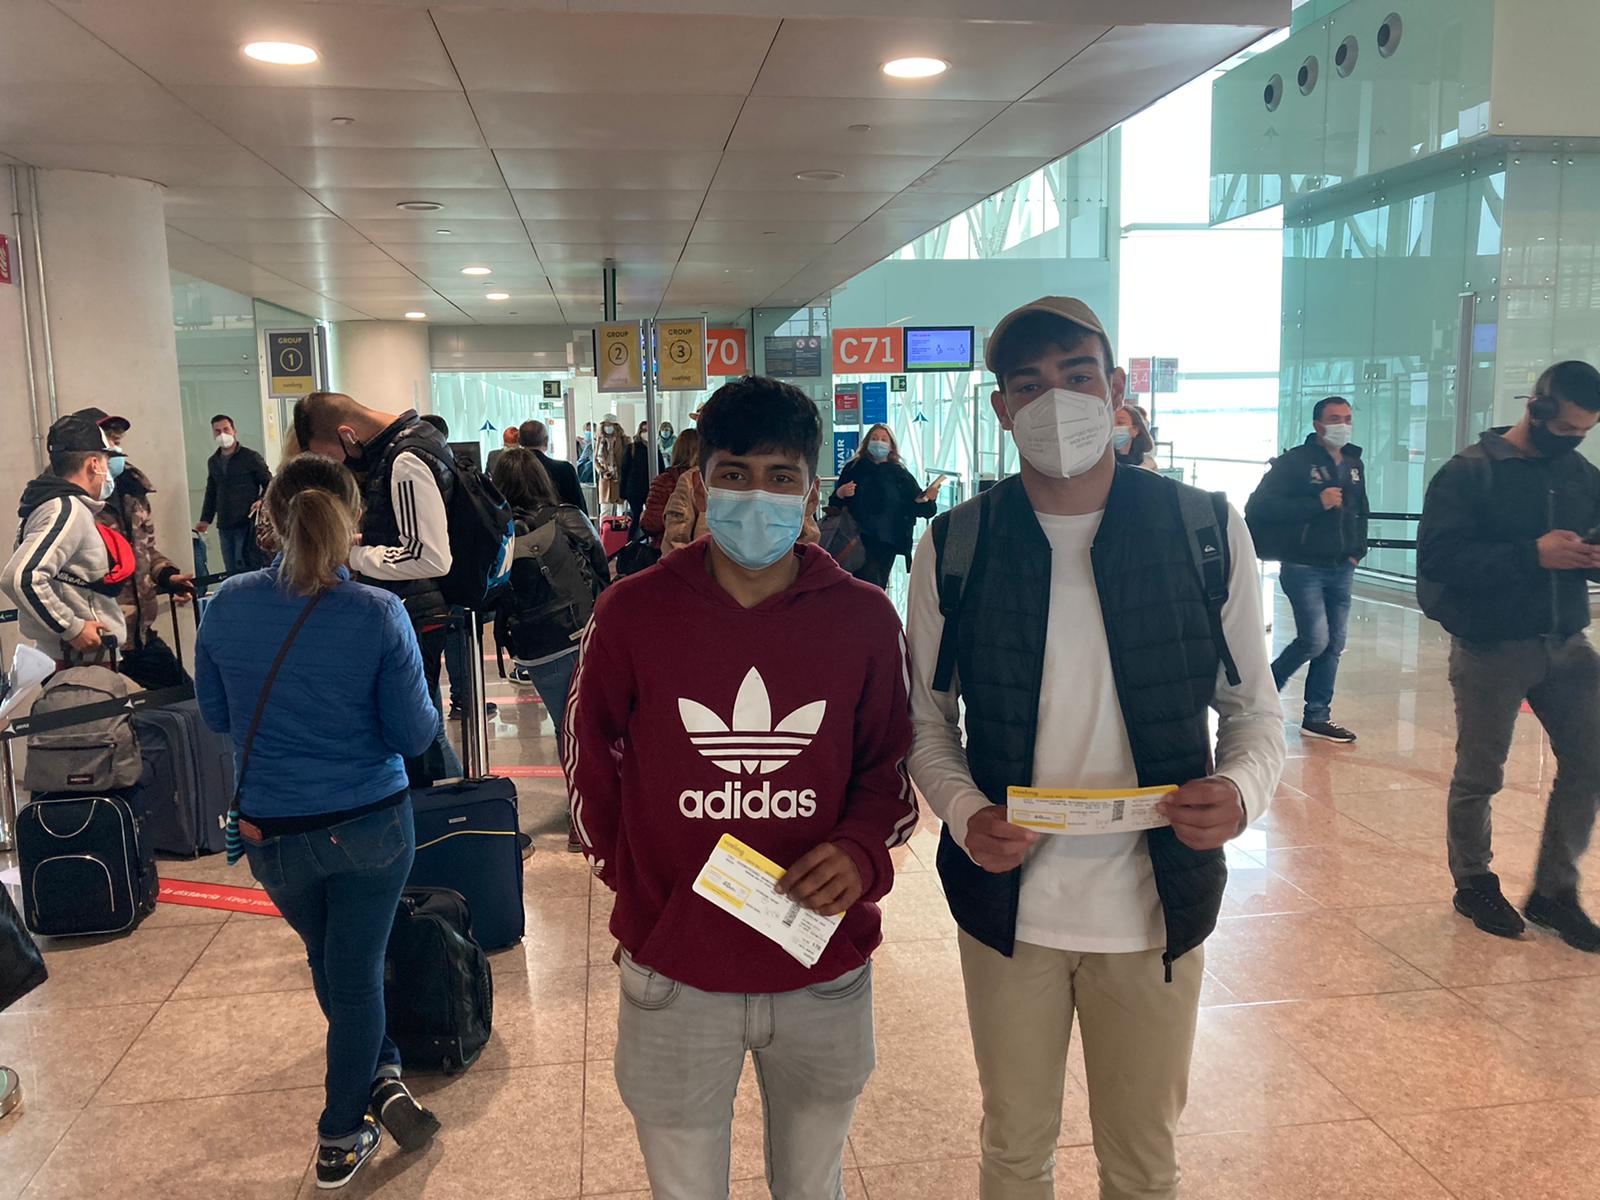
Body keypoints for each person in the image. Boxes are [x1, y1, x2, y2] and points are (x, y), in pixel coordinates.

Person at [906, 296, 1285, 1200]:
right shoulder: (957, 543)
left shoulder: (1202, 528)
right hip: (1010, 911)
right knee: (1013, 1149)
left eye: (1077, 376)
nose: (1056, 401)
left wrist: (1241, 792)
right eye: (1028, 385)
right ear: (1001, 409)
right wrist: (964, 813)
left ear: (1116, 389)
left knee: (1144, 1161)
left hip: (1155, 907)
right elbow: (926, 723)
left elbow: (1255, 713)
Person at [566, 375, 917, 1200]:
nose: (757, 496)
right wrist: (638, 889)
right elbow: (589, 758)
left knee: (813, 1186)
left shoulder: (865, 618)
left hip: (821, 959)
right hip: (675, 969)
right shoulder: (633, 612)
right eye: (735, 474)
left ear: (811, 492)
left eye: (780, 477)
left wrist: (860, 853)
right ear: (700, 484)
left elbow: (891, 770)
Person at [195, 453, 442, 1190]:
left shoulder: (226, 604)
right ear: (354, 519)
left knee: (329, 960)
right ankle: (340, 1133)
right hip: (370, 825)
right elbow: (414, 734)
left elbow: (216, 715)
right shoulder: (378, 613)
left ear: (268, 516)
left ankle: (382, 1071)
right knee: (356, 973)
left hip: (271, 831)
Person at [1417, 362, 1600, 951]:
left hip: (1567, 643)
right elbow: (1438, 563)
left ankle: (1554, 891)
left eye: (1585, 431)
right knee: (1481, 772)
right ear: (1537, 409)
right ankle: (1473, 881)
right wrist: (1531, 554)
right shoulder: (1470, 472)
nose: (1573, 440)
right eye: (1566, 428)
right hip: (1491, 647)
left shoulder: (1582, 477)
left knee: (1591, 760)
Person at [292, 391, 463, 785]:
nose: (340, 464)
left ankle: (445, 812)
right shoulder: (414, 440)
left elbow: (429, 557)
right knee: (425, 726)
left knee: (419, 732)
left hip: (417, 608)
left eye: (332, 454)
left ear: (346, 433)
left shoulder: (405, 459)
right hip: (418, 604)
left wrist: (354, 555)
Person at [490, 447, 608, 850]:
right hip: (580, 631)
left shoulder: (498, 531)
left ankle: (582, 812)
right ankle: (589, 814)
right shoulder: (568, 516)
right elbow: (600, 566)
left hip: (535, 646)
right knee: (591, 725)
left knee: (566, 727)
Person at [1245, 396, 1370, 744]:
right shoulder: (1294, 462)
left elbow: (1361, 510)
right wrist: (1317, 503)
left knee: (1334, 644)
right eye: (1335, 418)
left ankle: (1317, 716)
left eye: (1347, 418)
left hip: (1341, 566)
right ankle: (1262, 693)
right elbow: (1260, 507)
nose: (1342, 425)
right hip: (1303, 565)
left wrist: (1357, 551)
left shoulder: (1354, 462)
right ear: (1318, 424)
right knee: (1314, 639)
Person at [3, 411, 129, 662]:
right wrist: (72, 628)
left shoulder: (51, 505)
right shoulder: (66, 509)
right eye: (106, 460)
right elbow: (20, 577)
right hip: (78, 659)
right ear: (94, 464)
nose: (107, 469)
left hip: (74, 656)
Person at [92, 410, 196, 689]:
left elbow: (145, 550)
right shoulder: (72, 504)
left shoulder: (131, 491)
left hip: (139, 637)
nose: (116, 450)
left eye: (117, 441)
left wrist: (168, 575)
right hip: (96, 645)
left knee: (185, 697)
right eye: (109, 442)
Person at [828, 423, 945, 588]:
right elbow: (834, 504)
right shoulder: (854, 469)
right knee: (863, 583)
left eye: (884, 439)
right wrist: (840, 493)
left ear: (891, 446)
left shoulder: (900, 475)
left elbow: (921, 509)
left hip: (888, 541)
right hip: (856, 537)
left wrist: (929, 499)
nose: (879, 442)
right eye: (874, 438)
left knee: (875, 583)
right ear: (867, 443)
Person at [196, 414, 272, 575]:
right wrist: (205, 519)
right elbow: (212, 491)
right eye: (217, 431)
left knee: (246, 565)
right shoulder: (213, 461)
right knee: (230, 568)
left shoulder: (250, 457)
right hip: (225, 523)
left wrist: (261, 501)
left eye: (226, 429)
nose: (222, 434)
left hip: (247, 523)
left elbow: (270, 484)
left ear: (234, 431)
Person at [640, 429, 700, 550]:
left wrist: (642, 517)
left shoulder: (665, 481)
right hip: (703, 551)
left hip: (668, 549)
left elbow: (651, 524)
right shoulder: (710, 481)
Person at [518, 419, 585, 510]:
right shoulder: (564, 469)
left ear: (519, 441)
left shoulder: (510, 469)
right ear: (546, 441)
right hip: (557, 518)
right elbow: (579, 509)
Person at [619, 421, 661, 536]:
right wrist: (622, 492)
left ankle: (646, 541)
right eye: (643, 430)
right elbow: (624, 470)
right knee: (636, 516)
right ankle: (632, 542)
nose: (646, 433)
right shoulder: (632, 448)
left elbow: (661, 469)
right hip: (634, 490)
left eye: (648, 430)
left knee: (651, 518)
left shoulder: (655, 449)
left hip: (651, 488)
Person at [597, 415, 628, 516]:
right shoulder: (600, 440)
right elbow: (595, 460)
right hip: (606, 479)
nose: (607, 427)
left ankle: (621, 527)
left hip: (620, 478)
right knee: (605, 510)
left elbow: (627, 459)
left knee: (622, 511)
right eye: (605, 425)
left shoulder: (624, 440)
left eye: (609, 424)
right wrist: (602, 472)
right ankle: (605, 527)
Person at [1113, 404, 1158, 471]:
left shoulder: (1147, 466)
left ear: (1135, 430)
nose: (1113, 427)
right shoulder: (1103, 464)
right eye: (1111, 423)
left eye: (1120, 423)